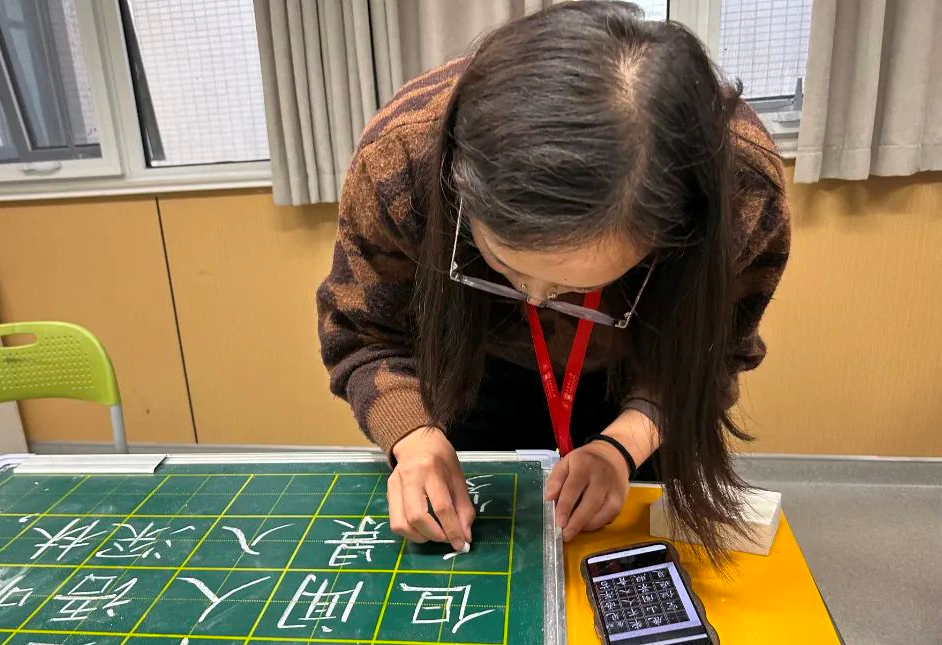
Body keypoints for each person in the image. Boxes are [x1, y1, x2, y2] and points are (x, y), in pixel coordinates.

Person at [316, 1, 790, 565]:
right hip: (469, 371)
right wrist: (414, 438)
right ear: (461, 193)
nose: (534, 300)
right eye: (504, 266)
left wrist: (623, 445)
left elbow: (712, 354)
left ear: (667, 235)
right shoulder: (402, 160)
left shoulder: (741, 192)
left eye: (572, 287)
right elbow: (362, 333)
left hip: (641, 373)